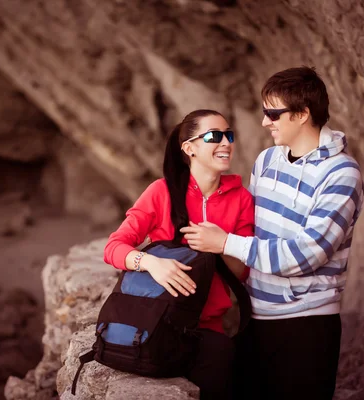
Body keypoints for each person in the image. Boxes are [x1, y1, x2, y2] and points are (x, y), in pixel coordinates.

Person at [181, 67, 364, 399]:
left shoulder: (342, 174)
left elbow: (307, 255)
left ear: (303, 114)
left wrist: (225, 242)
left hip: (307, 324)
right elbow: (251, 231)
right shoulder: (266, 161)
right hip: (255, 317)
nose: (265, 122)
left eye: (273, 113)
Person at [103, 109, 254, 399]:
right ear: (189, 148)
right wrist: (149, 263)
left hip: (209, 331)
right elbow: (113, 247)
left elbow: (241, 273)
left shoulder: (242, 199)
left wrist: (221, 245)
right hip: (157, 325)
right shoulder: (161, 192)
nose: (225, 143)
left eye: (229, 135)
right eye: (214, 136)